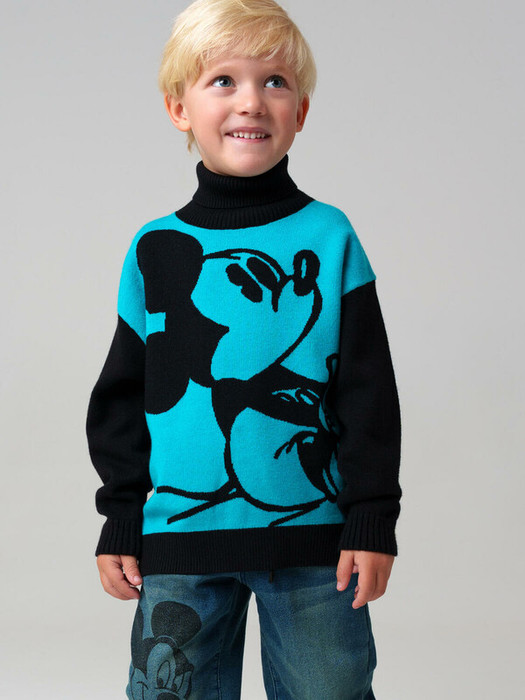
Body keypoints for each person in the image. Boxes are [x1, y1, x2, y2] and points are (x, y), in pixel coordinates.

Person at [86, 0, 402, 697]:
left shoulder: (330, 237)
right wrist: (121, 518)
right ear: (180, 109)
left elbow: (368, 392)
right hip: (179, 541)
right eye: (223, 80)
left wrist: (372, 519)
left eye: (274, 82)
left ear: (301, 112)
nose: (251, 101)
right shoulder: (154, 249)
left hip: (318, 544)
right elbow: (123, 395)